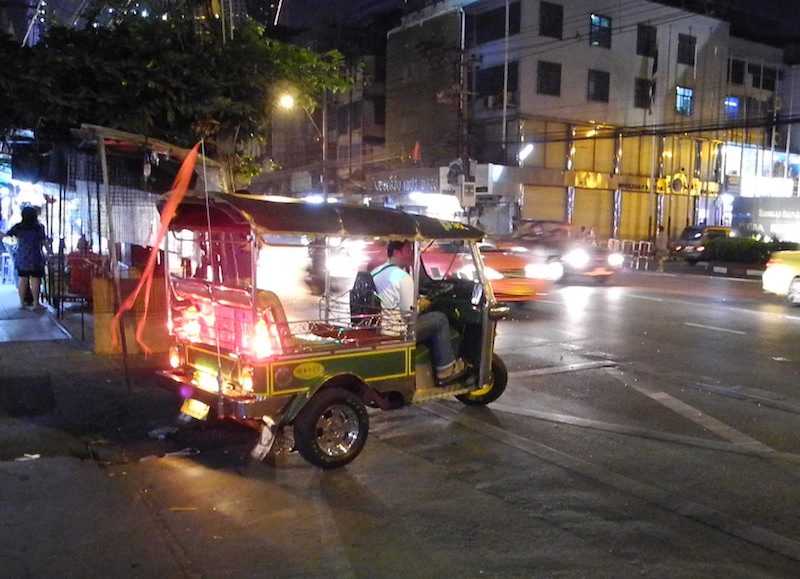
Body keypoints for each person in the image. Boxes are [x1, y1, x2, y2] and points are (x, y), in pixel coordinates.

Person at [371, 240, 466, 384]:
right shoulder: (403, 278)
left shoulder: (377, 271)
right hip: (397, 331)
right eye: (408, 251)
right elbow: (408, 315)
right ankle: (445, 369)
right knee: (439, 319)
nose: (412, 255)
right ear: (396, 252)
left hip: (378, 326)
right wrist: (421, 305)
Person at [1, 206, 47, 310]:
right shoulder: (39, 227)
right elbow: (43, 241)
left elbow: (6, 235)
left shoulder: (18, 227)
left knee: (23, 278)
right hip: (35, 256)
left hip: (22, 256)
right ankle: (36, 303)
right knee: (36, 279)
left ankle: (21, 303)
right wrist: (50, 252)